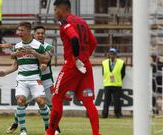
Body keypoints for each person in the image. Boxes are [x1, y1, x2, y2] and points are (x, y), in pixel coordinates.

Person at [45, 0, 100, 135]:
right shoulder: (82, 21)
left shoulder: (65, 23)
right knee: (88, 101)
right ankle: (96, 133)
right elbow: (94, 42)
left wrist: (75, 58)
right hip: (85, 65)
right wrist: (84, 57)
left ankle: (50, 132)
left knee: (57, 97)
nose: (54, 13)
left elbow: (74, 38)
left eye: (55, 10)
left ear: (61, 10)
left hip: (72, 65)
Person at [5, 25, 61, 135]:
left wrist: (43, 64)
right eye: (38, 33)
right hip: (33, 79)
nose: (40, 35)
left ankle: (55, 127)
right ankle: (16, 123)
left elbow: (47, 58)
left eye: (42, 33)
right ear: (33, 34)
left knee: (51, 105)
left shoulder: (48, 47)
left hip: (46, 80)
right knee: (22, 102)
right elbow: (16, 61)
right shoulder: (28, 46)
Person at [0, 22, 50, 135]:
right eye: (19, 30)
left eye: (21, 30)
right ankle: (23, 130)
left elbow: (45, 59)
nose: (19, 33)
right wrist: (5, 72)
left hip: (35, 78)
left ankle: (48, 128)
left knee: (41, 101)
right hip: (21, 79)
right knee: (20, 101)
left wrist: (35, 54)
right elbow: (15, 66)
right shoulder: (17, 46)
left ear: (28, 31)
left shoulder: (37, 45)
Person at [102, 48, 125, 118]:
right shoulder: (104, 62)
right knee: (106, 101)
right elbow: (103, 73)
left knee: (117, 101)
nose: (112, 55)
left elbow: (123, 74)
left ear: (116, 55)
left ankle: (118, 114)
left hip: (117, 84)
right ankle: (105, 114)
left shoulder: (121, 63)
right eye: (110, 53)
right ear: (108, 54)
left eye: (113, 54)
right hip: (107, 84)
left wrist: (118, 79)